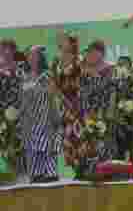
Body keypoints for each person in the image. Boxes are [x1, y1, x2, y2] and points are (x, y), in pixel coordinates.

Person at [17, 46, 61, 183]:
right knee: (32, 150)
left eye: (35, 55)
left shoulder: (47, 76)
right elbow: (21, 99)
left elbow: (54, 97)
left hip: (45, 119)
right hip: (29, 122)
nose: (32, 58)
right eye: (30, 55)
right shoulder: (24, 77)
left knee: (47, 147)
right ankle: (35, 174)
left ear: (41, 58)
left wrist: (56, 118)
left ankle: (50, 173)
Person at [77, 41, 116, 177]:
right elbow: (80, 91)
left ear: (101, 54)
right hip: (86, 113)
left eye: (92, 52)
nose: (89, 56)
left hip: (103, 113)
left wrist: (94, 74)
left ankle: (104, 170)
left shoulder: (110, 70)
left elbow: (110, 90)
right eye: (88, 53)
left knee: (103, 142)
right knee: (87, 141)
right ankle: (85, 170)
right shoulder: (82, 71)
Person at [53, 33, 84, 178]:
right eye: (60, 42)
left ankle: (82, 169)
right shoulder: (56, 63)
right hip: (63, 109)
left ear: (72, 44)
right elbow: (54, 84)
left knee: (80, 137)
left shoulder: (79, 62)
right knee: (67, 140)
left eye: (64, 41)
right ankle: (76, 169)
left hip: (78, 107)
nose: (60, 43)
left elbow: (80, 84)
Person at [0, 40, 24, 175]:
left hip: (20, 115)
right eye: (2, 51)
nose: (5, 54)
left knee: (18, 145)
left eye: (8, 51)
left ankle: (20, 172)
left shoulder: (21, 71)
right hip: (3, 116)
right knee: (5, 145)